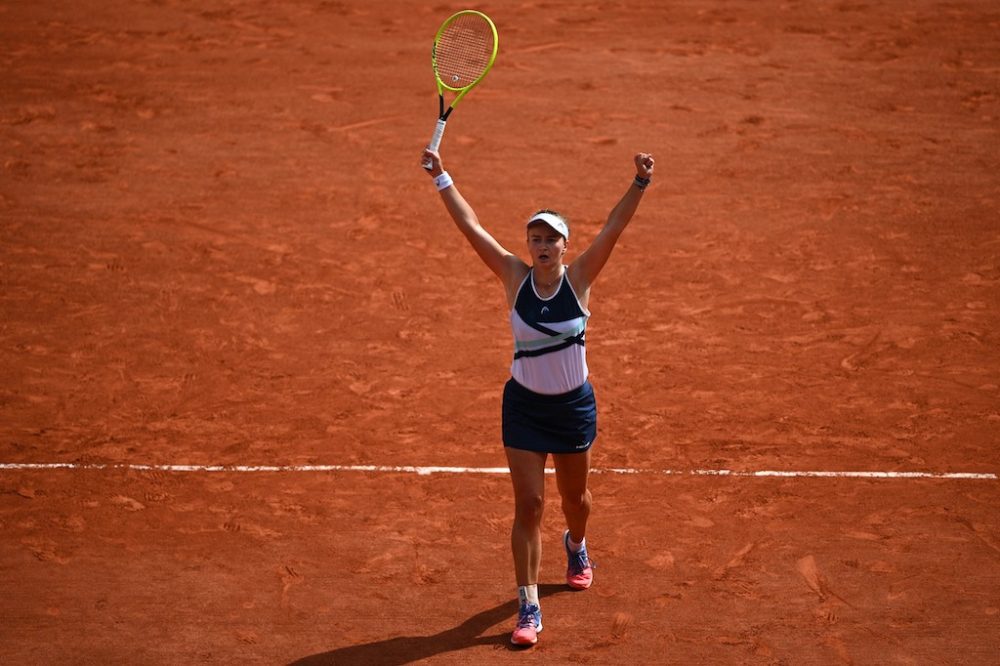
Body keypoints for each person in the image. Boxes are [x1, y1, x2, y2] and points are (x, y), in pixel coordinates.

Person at [421, 146, 655, 647]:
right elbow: (471, 227)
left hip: (572, 408)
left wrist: (638, 183)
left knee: (575, 501)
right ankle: (529, 605)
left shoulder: (580, 280)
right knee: (528, 505)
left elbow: (613, 227)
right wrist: (443, 178)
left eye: (551, 238)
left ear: (566, 245)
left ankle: (577, 544)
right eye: (535, 238)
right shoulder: (513, 276)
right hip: (524, 407)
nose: (541, 245)